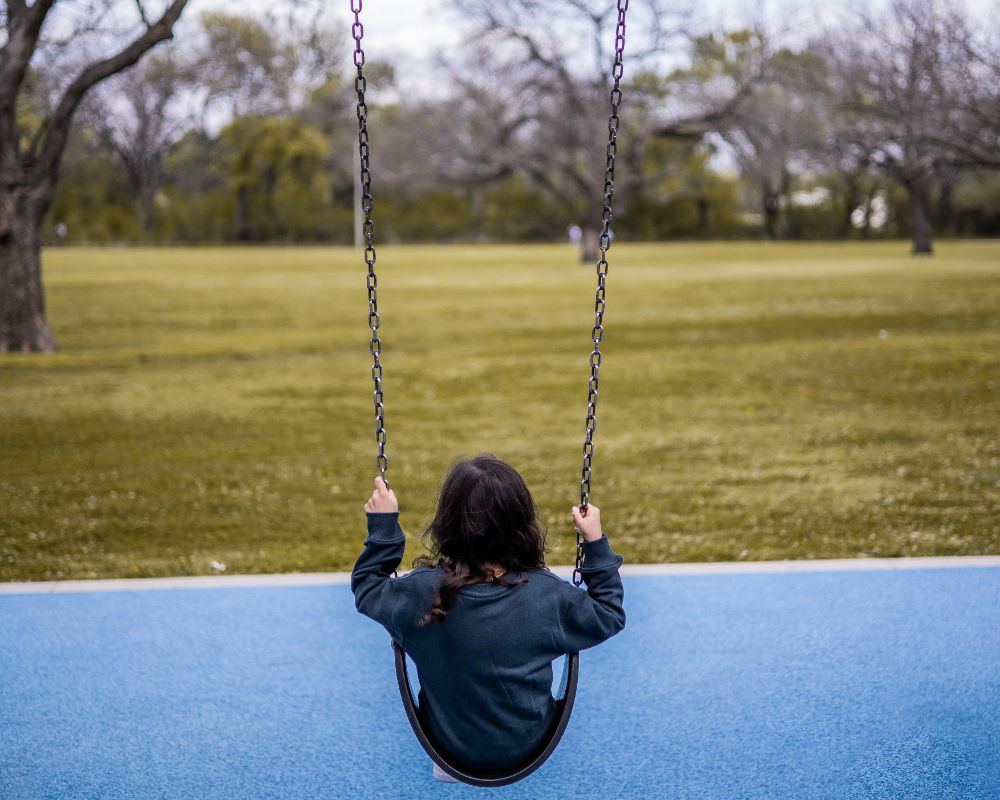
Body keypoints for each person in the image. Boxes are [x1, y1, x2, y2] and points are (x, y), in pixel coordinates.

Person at [351, 454, 626, 782]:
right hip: (527, 746)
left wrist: (384, 526)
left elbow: (368, 588)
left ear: (446, 522)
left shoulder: (419, 595)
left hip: (449, 748)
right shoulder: (549, 598)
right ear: (523, 522)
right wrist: (595, 541)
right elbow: (609, 613)